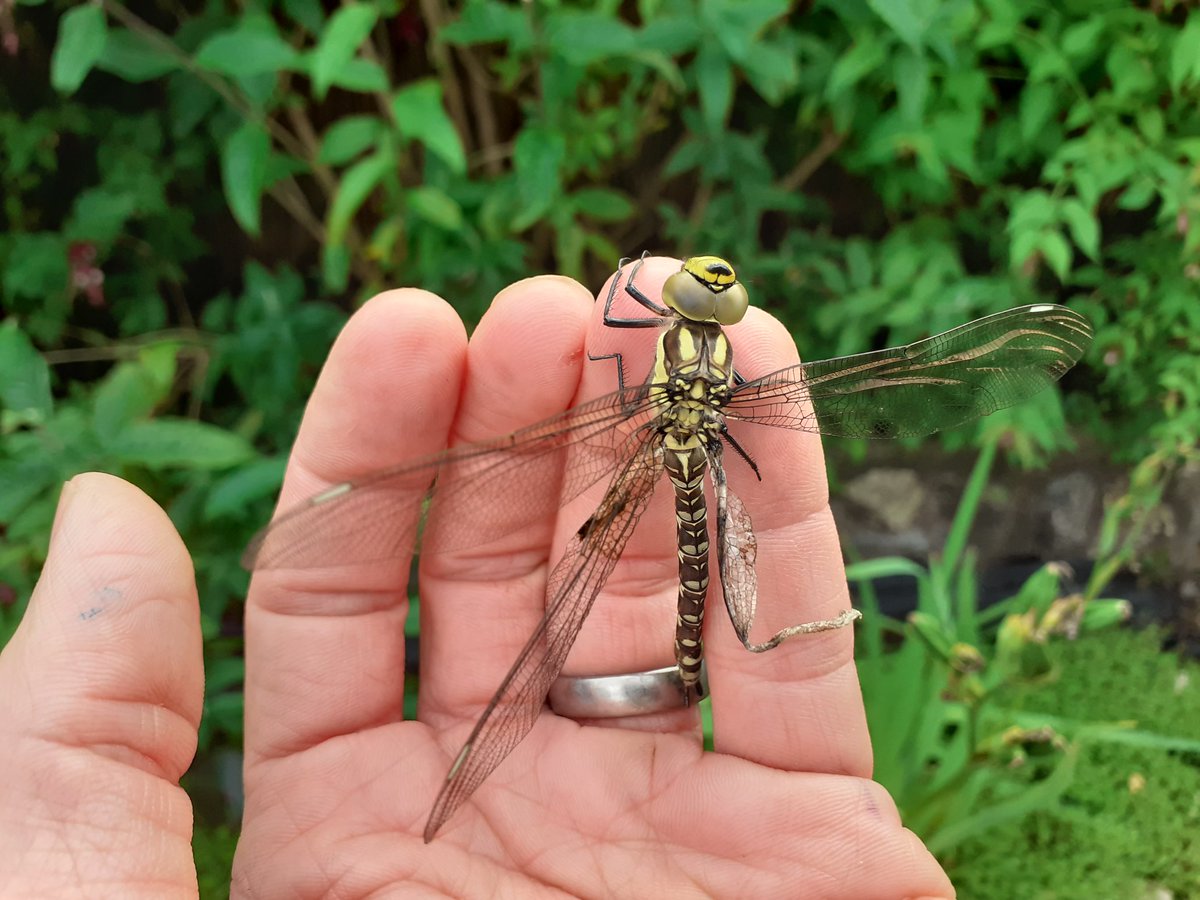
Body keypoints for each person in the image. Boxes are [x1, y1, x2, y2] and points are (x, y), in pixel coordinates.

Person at [0, 259, 954, 898]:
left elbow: (626, 326)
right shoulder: (710, 370)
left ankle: (664, 674)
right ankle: (678, 672)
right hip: (702, 466)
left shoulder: (658, 354)